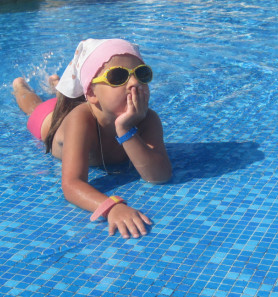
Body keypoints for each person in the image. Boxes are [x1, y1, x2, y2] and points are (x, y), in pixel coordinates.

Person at [12, 39, 172, 239]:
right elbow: (71, 184)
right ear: (91, 93)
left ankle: (57, 84)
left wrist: (125, 129)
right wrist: (111, 207)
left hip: (90, 104)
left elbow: (159, 175)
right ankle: (21, 87)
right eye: (118, 76)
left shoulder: (148, 120)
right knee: (33, 107)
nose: (134, 83)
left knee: (62, 97)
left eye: (141, 74)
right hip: (47, 120)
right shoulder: (80, 119)